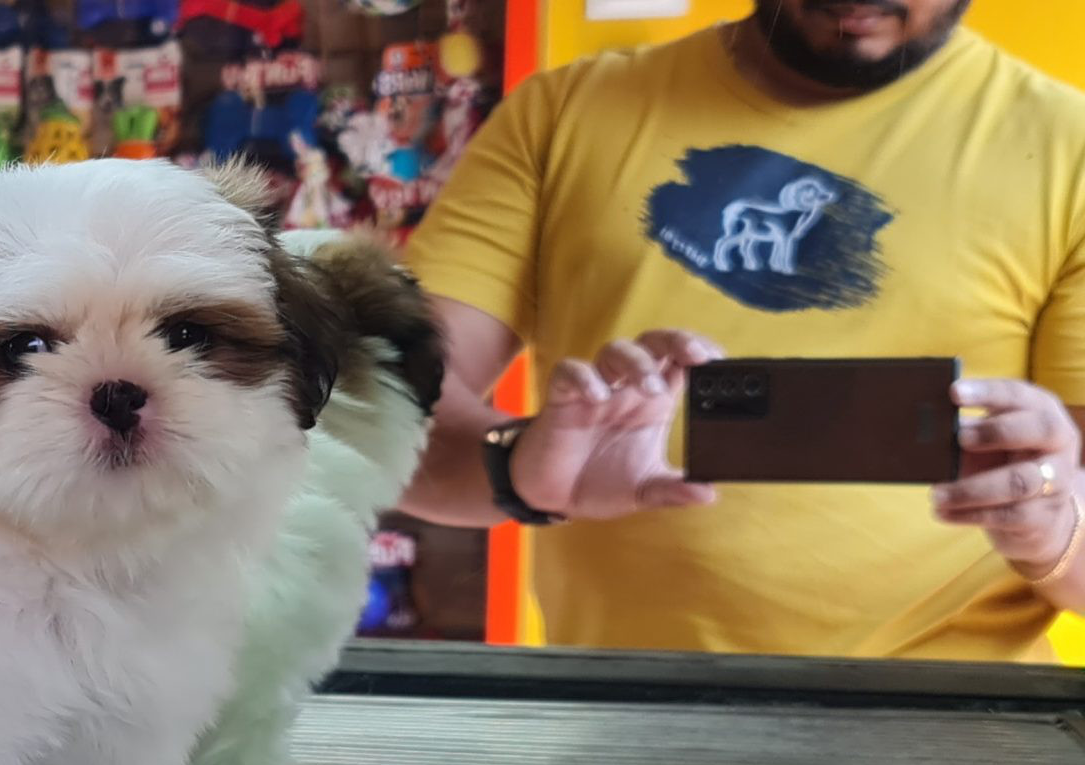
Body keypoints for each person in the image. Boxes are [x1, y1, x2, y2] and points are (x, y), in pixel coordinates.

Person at [400, 0, 1085, 662]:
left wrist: (1060, 533)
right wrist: (518, 467)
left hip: (958, 731)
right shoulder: (564, 113)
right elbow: (379, 411)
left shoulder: (1068, 154)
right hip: (622, 725)